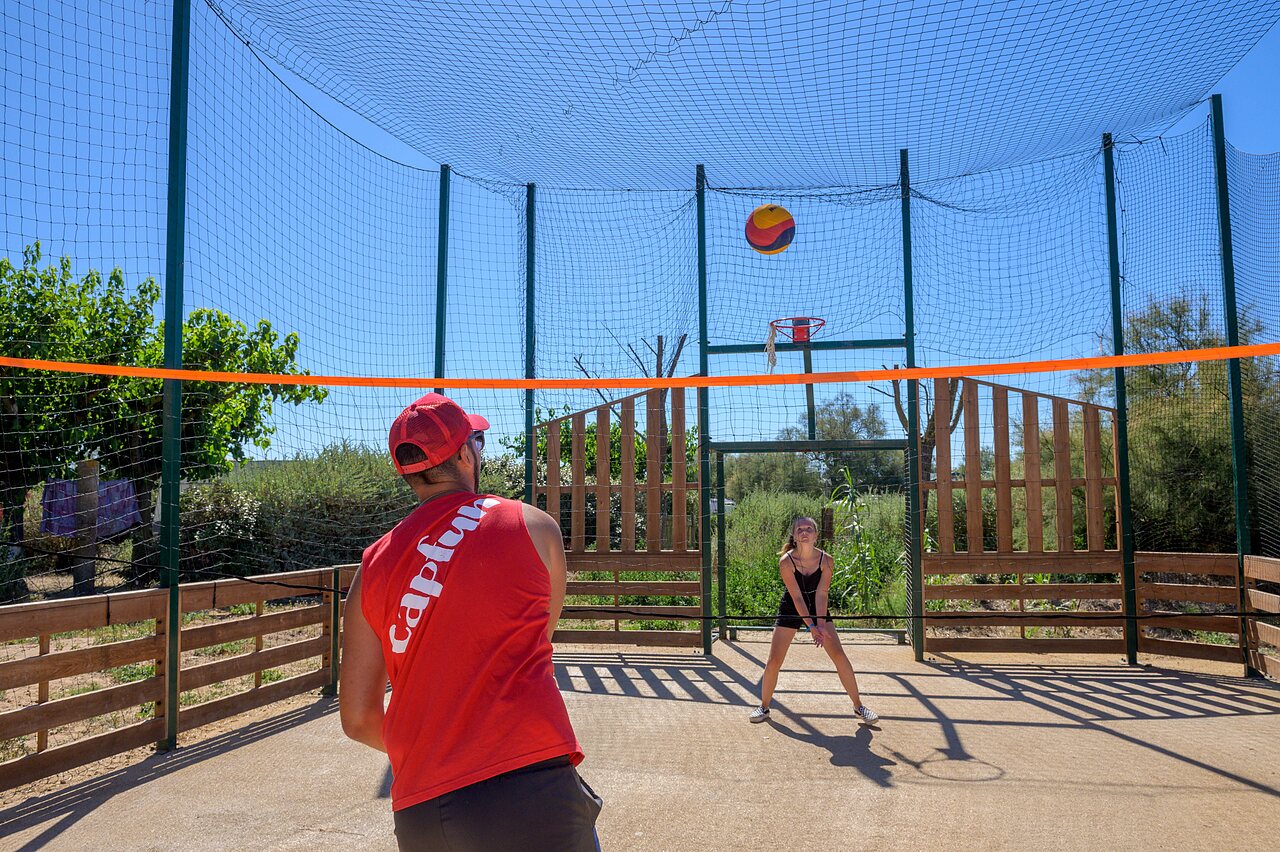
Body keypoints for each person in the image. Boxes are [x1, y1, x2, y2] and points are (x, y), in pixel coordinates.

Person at [339, 392, 602, 851]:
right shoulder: (534, 526)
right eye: (476, 441)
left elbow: (358, 718)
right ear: (465, 454)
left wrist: (433, 751)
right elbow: (539, 637)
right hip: (530, 787)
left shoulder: (371, 566)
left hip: (423, 810)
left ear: (408, 468)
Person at [748, 516, 879, 726]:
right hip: (792, 606)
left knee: (839, 655)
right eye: (800, 529)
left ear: (816, 535)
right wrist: (811, 627)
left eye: (809, 528)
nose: (804, 532)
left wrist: (819, 624)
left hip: (818, 608)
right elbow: (797, 597)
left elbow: (821, 593)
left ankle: (859, 707)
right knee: (774, 660)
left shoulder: (827, 560)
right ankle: (763, 707)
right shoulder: (786, 562)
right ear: (794, 535)